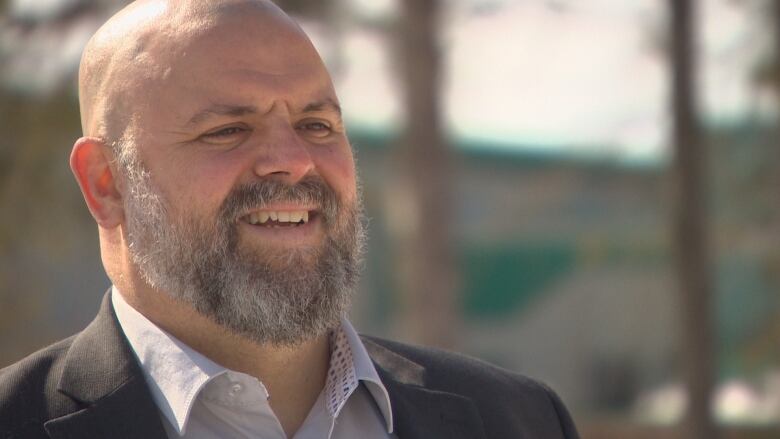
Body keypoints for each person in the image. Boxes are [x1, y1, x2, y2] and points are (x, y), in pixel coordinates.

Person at [0, 1, 579, 438]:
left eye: (317, 125)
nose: (295, 161)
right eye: (228, 130)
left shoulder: (519, 420)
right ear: (107, 182)